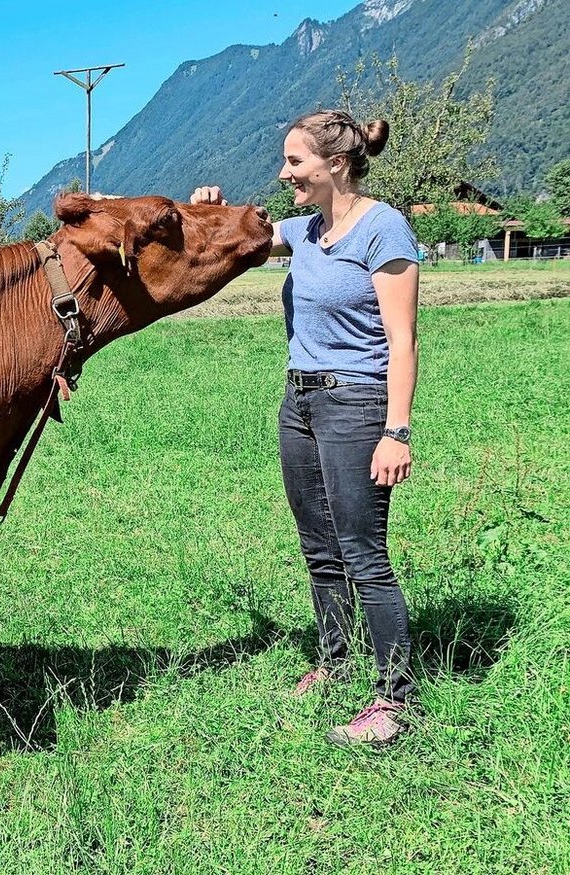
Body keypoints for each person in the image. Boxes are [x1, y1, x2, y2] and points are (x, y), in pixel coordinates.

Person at [191, 109, 420, 747]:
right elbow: (238, 242)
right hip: (300, 402)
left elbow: (402, 341)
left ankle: (396, 700)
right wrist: (210, 210)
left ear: (334, 164)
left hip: (357, 405)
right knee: (319, 548)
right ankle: (336, 661)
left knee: (363, 554)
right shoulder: (307, 229)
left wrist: (395, 432)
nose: (284, 172)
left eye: (295, 162)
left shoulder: (383, 229)